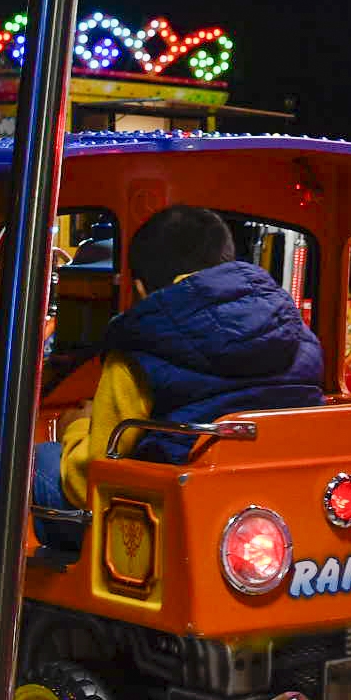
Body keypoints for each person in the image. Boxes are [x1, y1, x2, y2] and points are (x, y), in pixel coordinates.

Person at [33, 204, 323, 511]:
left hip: (175, 513)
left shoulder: (139, 344)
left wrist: (76, 429)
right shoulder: (300, 333)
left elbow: (90, 479)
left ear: (141, 288)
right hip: (282, 502)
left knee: (43, 461)